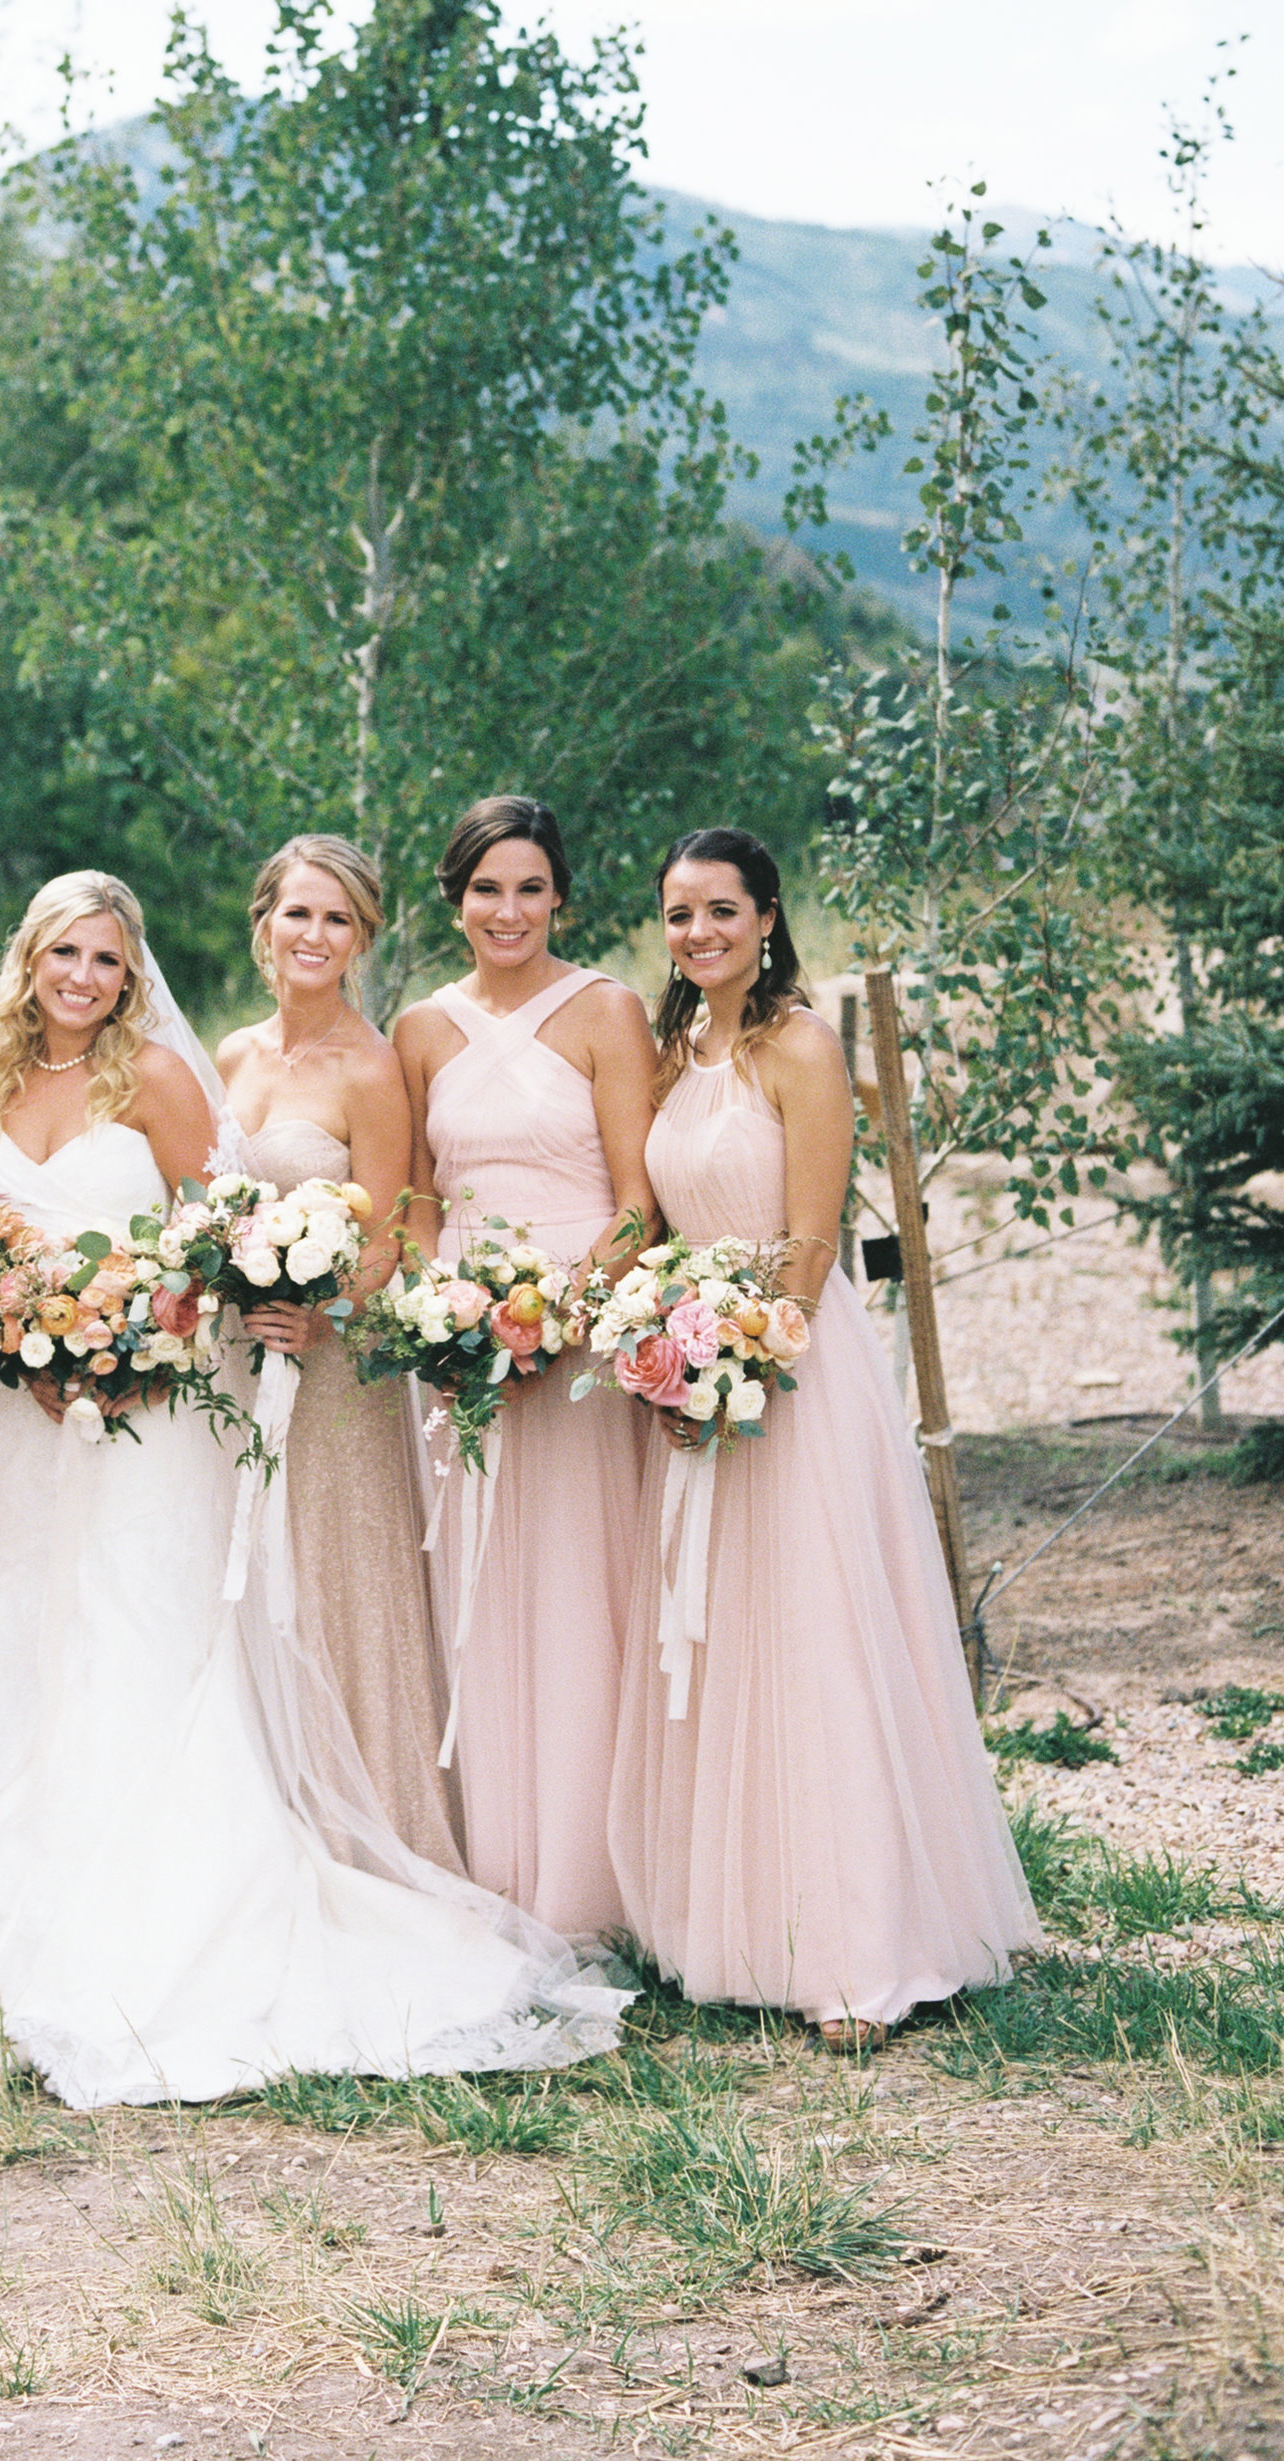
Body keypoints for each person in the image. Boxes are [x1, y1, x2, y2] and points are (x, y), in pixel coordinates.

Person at [0, 868, 624, 2109]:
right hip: (35, 1418)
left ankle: (157, 1925)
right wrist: (24, 1337)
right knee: (33, 1612)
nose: (84, 979)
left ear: (128, 972)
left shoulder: (155, 1078)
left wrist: (130, 1338)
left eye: (107, 960)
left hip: (153, 1409)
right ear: (29, 960)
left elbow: (215, 1243)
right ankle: (11, 1910)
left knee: (138, 1629)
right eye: (65, 955)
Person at [606, 828, 1039, 2045]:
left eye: (721, 912)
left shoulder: (796, 1042)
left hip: (784, 1369)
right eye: (679, 914)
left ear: (767, 915)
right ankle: (741, 1925)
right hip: (690, 1363)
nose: (698, 934)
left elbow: (808, 1242)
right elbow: (649, 1216)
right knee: (730, 1640)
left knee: (815, 1635)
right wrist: (645, 1336)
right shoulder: (669, 1048)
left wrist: (738, 1358)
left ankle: (856, 1949)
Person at [394, 797, 657, 1940]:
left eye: (531, 888)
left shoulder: (606, 1010)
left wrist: (555, 1314)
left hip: (579, 1341)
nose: (508, 910)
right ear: (454, 897)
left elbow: (642, 1202)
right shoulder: (419, 1028)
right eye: (486, 887)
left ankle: (600, 1881)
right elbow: (411, 1201)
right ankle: (501, 1866)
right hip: (457, 1356)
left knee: (579, 1589)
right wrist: (440, 1315)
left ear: (561, 898)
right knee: (480, 1593)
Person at [216, 835, 464, 1874]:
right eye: (298, 913)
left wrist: (325, 1315)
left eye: (338, 919)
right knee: (247, 1579)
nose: (314, 935)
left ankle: (371, 1846)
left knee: (337, 1584)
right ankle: (264, 1836)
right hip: (237, 1367)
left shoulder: (370, 1067)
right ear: (264, 922)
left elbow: (403, 1234)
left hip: (334, 1375)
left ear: (361, 938)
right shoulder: (228, 1055)